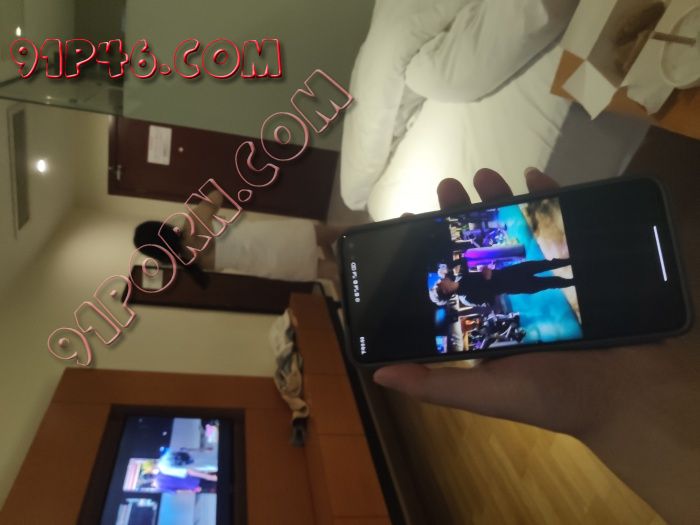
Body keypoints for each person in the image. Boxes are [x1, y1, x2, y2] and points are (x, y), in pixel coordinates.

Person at [374, 168, 700, 524]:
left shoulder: (462, 278)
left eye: (442, 284)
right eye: (442, 288)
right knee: (545, 282)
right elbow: (487, 292)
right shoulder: (464, 292)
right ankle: (571, 276)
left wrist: (486, 267)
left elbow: (484, 273)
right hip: (513, 284)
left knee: (546, 266)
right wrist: (486, 276)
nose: (445, 284)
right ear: (444, 293)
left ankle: (573, 268)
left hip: (513, 275)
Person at [133, 189, 344, 288]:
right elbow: (217, 194)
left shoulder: (192, 264)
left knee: (332, 271)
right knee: (333, 233)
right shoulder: (192, 222)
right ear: (162, 227)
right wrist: (205, 213)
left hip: (267, 263)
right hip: (271, 236)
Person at [433, 257, 574, 305]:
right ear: (445, 290)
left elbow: (464, 260)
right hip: (516, 285)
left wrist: (449, 266)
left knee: (546, 264)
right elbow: (490, 301)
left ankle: (571, 260)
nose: (440, 280)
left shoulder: (460, 277)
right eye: (439, 284)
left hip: (512, 271)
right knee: (552, 282)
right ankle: (574, 281)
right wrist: (488, 278)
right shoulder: (467, 298)